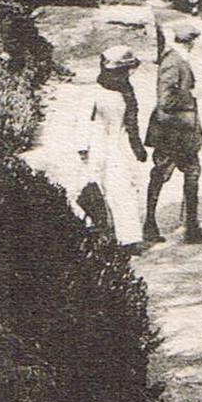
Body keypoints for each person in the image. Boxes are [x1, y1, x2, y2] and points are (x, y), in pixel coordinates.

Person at [143, 21, 202, 244]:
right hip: (172, 131)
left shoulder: (176, 59)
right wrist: (192, 96)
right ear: (190, 42)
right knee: (164, 174)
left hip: (180, 131)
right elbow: (165, 99)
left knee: (187, 172)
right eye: (193, 42)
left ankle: (188, 226)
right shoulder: (174, 62)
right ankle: (158, 225)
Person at [78, 46, 149, 252]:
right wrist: (83, 146)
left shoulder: (126, 92)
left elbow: (131, 124)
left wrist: (136, 148)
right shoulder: (96, 92)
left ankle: (127, 238)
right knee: (95, 187)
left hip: (116, 144)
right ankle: (101, 232)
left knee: (122, 188)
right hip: (98, 145)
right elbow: (83, 120)